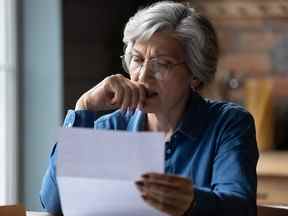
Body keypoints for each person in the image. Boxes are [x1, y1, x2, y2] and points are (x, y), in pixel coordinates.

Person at [40, 1, 259, 216]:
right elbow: (55, 205)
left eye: (161, 64)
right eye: (137, 60)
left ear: (195, 72)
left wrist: (192, 202)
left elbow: (241, 208)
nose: (143, 77)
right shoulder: (111, 127)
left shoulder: (228, 124)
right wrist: (83, 107)